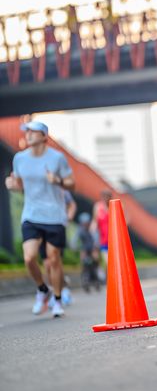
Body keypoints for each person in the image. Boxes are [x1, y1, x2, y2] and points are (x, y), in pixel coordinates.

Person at [4, 120, 75, 317]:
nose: (28, 134)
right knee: (29, 257)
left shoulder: (57, 158)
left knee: (53, 260)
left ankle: (57, 301)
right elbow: (20, 185)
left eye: (33, 132)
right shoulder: (19, 158)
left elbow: (71, 183)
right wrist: (12, 186)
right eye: (26, 131)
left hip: (54, 216)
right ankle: (43, 289)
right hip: (31, 215)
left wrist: (57, 180)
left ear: (44, 136)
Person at [40, 189, 77, 306]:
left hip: (56, 227)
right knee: (47, 264)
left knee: (55, 261)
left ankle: (62, 289)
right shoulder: (39, 188)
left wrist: (68, 217)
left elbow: (72, 204)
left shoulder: (60, 189)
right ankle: (54, 290)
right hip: (40, 228)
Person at [74, 213, 101, 292]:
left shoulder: (92, 229)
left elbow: (96, 239)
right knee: (84, 262)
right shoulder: (80, 230)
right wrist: (76, 247)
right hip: (84, 248)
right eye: (84, 223)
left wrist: (96, 247)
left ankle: (97, 276)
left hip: (92, 248)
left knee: (95, 259)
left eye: (87, 223)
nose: (85, 225)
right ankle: (85, 279)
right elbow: (74, 240)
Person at [92, 189, 112, 271]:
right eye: (103, 196)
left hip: (113, 240)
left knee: (113, 263)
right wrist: (92, 234)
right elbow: (95, 221)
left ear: (110, 197)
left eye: (107, 196)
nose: (105, 198)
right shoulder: (98, 207)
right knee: (108, 262)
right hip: (103, 240)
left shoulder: (113, 206)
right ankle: (108, 277)